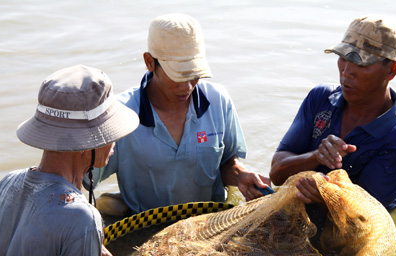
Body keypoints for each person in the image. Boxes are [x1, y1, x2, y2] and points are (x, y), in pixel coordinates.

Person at [0, 65, 178, 256]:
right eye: (110, 133)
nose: (115, 142)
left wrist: (66, 254)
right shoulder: (81, 218)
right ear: (88, 143)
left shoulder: (5, 185)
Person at [86, 13, 270, 216]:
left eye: (193, 74)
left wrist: (240, 175)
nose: (188, 86)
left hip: (208, 221)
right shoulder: (120, 115)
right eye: (177, 75)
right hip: (146, 227)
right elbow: (80, 178)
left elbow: (227, 162)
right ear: (149, 62)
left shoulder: (218, 101)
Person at [270, 16, 396, 211]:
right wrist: (315, 157)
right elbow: (276, 173)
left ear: (392, 70)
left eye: (362, 64)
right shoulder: (321, 98)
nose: (347, 72)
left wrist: (326, 198)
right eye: (343, 58)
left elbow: (366, 217)